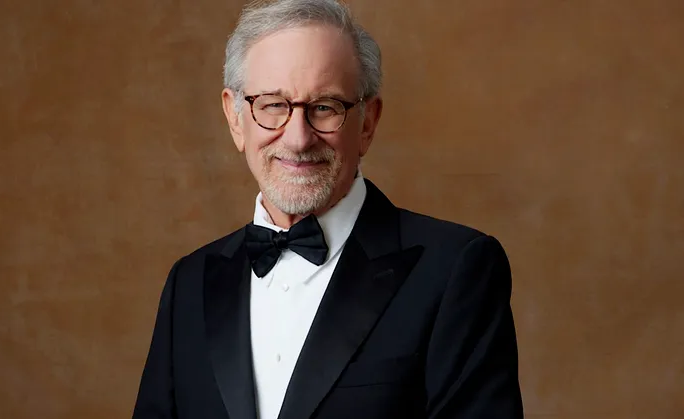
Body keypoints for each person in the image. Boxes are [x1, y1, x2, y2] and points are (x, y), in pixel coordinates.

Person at [132, 0, 523, 418]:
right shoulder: (189, 283)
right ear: (235, 117)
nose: (298, 139)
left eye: (324, 107)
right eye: (273, 105)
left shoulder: (455, 270)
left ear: (367, 122)